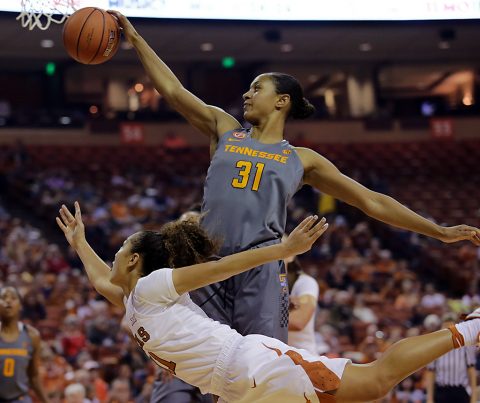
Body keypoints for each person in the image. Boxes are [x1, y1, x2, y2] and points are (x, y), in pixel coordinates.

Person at [109, 11, 480, 401]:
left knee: (265, 378)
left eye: (257, 88)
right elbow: (172, 90)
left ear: (282, 101)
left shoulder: (302, 159)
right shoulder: (224, 128)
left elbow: (371, 201)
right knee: (213, 380)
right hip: (208, 263)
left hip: (262, 264)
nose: (246, 95)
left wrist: (436, 230)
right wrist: (135, 39)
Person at [57, 202, 480, 403]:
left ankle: (471, 328)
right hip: (232, 385)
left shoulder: (153, 287)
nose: (110, 257)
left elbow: (219, 269)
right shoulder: (133, 302)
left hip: (251, 367)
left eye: (118, 251)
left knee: (373, 382)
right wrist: (79, 241)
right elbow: (99, 279)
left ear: (133, 260)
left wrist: (282, 249)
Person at [0, 286, 51, 403]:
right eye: (3, 298)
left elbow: (33, 375)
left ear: (21, 306)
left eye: (13, 298)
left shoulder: (32, 335)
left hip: (20, 399)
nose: (8, 301)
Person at [426, 313, 477, 403]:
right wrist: (429, 398)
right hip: (441, 391)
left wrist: (474, 397)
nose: (447, 330)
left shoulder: (465, 347)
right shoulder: (435, 347)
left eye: (450, 327)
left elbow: (471, 371)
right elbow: (431, 373)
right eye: (445, 327)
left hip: (460, 391)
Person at [287, 257, 319, 354]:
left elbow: (299, 321)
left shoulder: (305, 282)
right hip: (277, 357)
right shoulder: (267, 284)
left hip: (304, 359)